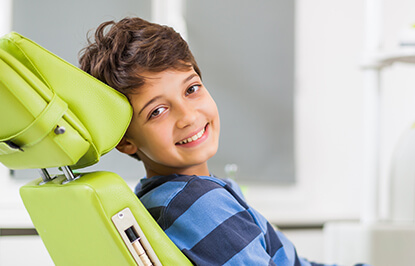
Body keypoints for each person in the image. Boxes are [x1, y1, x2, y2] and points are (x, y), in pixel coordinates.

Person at [79, 17, 367, 266]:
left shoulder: (165, 197)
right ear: (126, 141)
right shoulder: (197, 205)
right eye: (157, 111)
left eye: (191, 89)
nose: (188, 117)